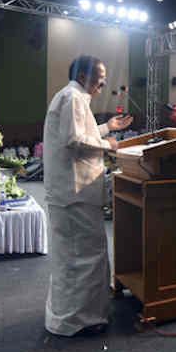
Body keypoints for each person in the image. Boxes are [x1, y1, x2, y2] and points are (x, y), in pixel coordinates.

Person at [43, 56, 133, 337]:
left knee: (74, 256)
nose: (104, 83)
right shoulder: (73, 98)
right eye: (100, 77)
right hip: (74, 193)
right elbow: (74, 140)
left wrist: (108, 128)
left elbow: (79, 132)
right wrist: (108, 144)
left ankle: (71, 316)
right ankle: (78, 320)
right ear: (83, 76)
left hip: (71, 193)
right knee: (82, 256)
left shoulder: (72, 96)